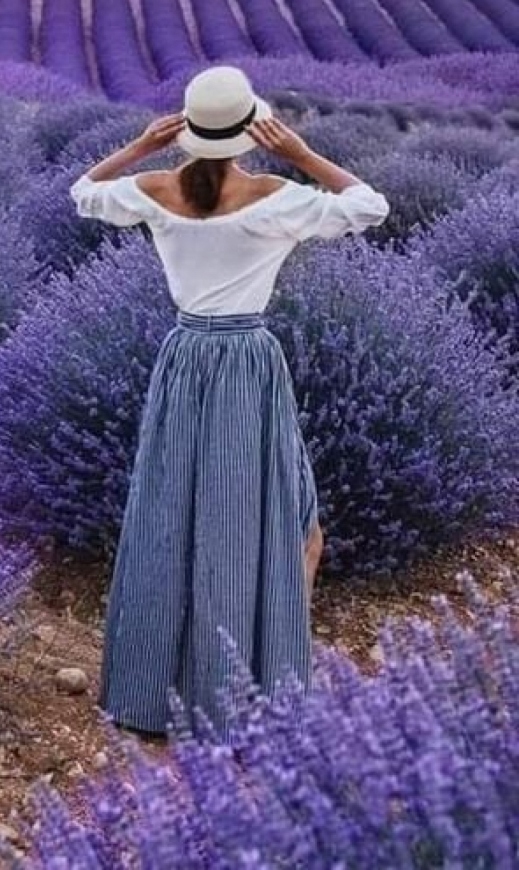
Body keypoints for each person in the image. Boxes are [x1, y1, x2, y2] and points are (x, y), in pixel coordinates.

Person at [68, 65, 390, 741]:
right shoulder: (274, 197)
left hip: (184, 359)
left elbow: (83, 192)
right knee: (256, 519)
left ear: (186, 131)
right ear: (252, 131)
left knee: (172, 515)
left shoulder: (157, 189)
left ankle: (157, 691)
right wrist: (301, 153)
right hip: (246, 364)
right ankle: (249, 691)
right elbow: (369, 206)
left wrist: (141, 146)